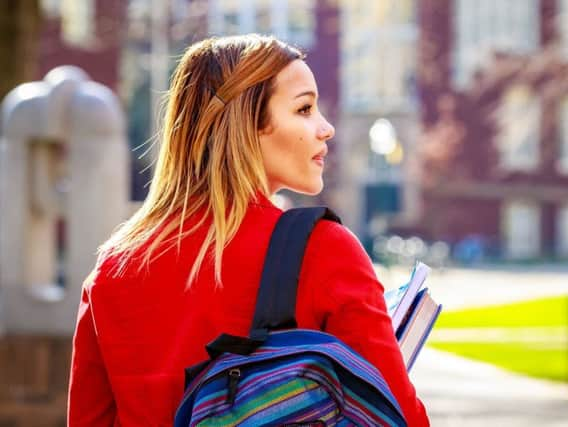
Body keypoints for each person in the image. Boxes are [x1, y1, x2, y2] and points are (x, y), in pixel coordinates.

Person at [68, 34, 430, 426]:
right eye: (304, 109)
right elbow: (400, 417)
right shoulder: (323, 250)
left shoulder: (114, 268)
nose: (326, 128)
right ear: (248, 124)